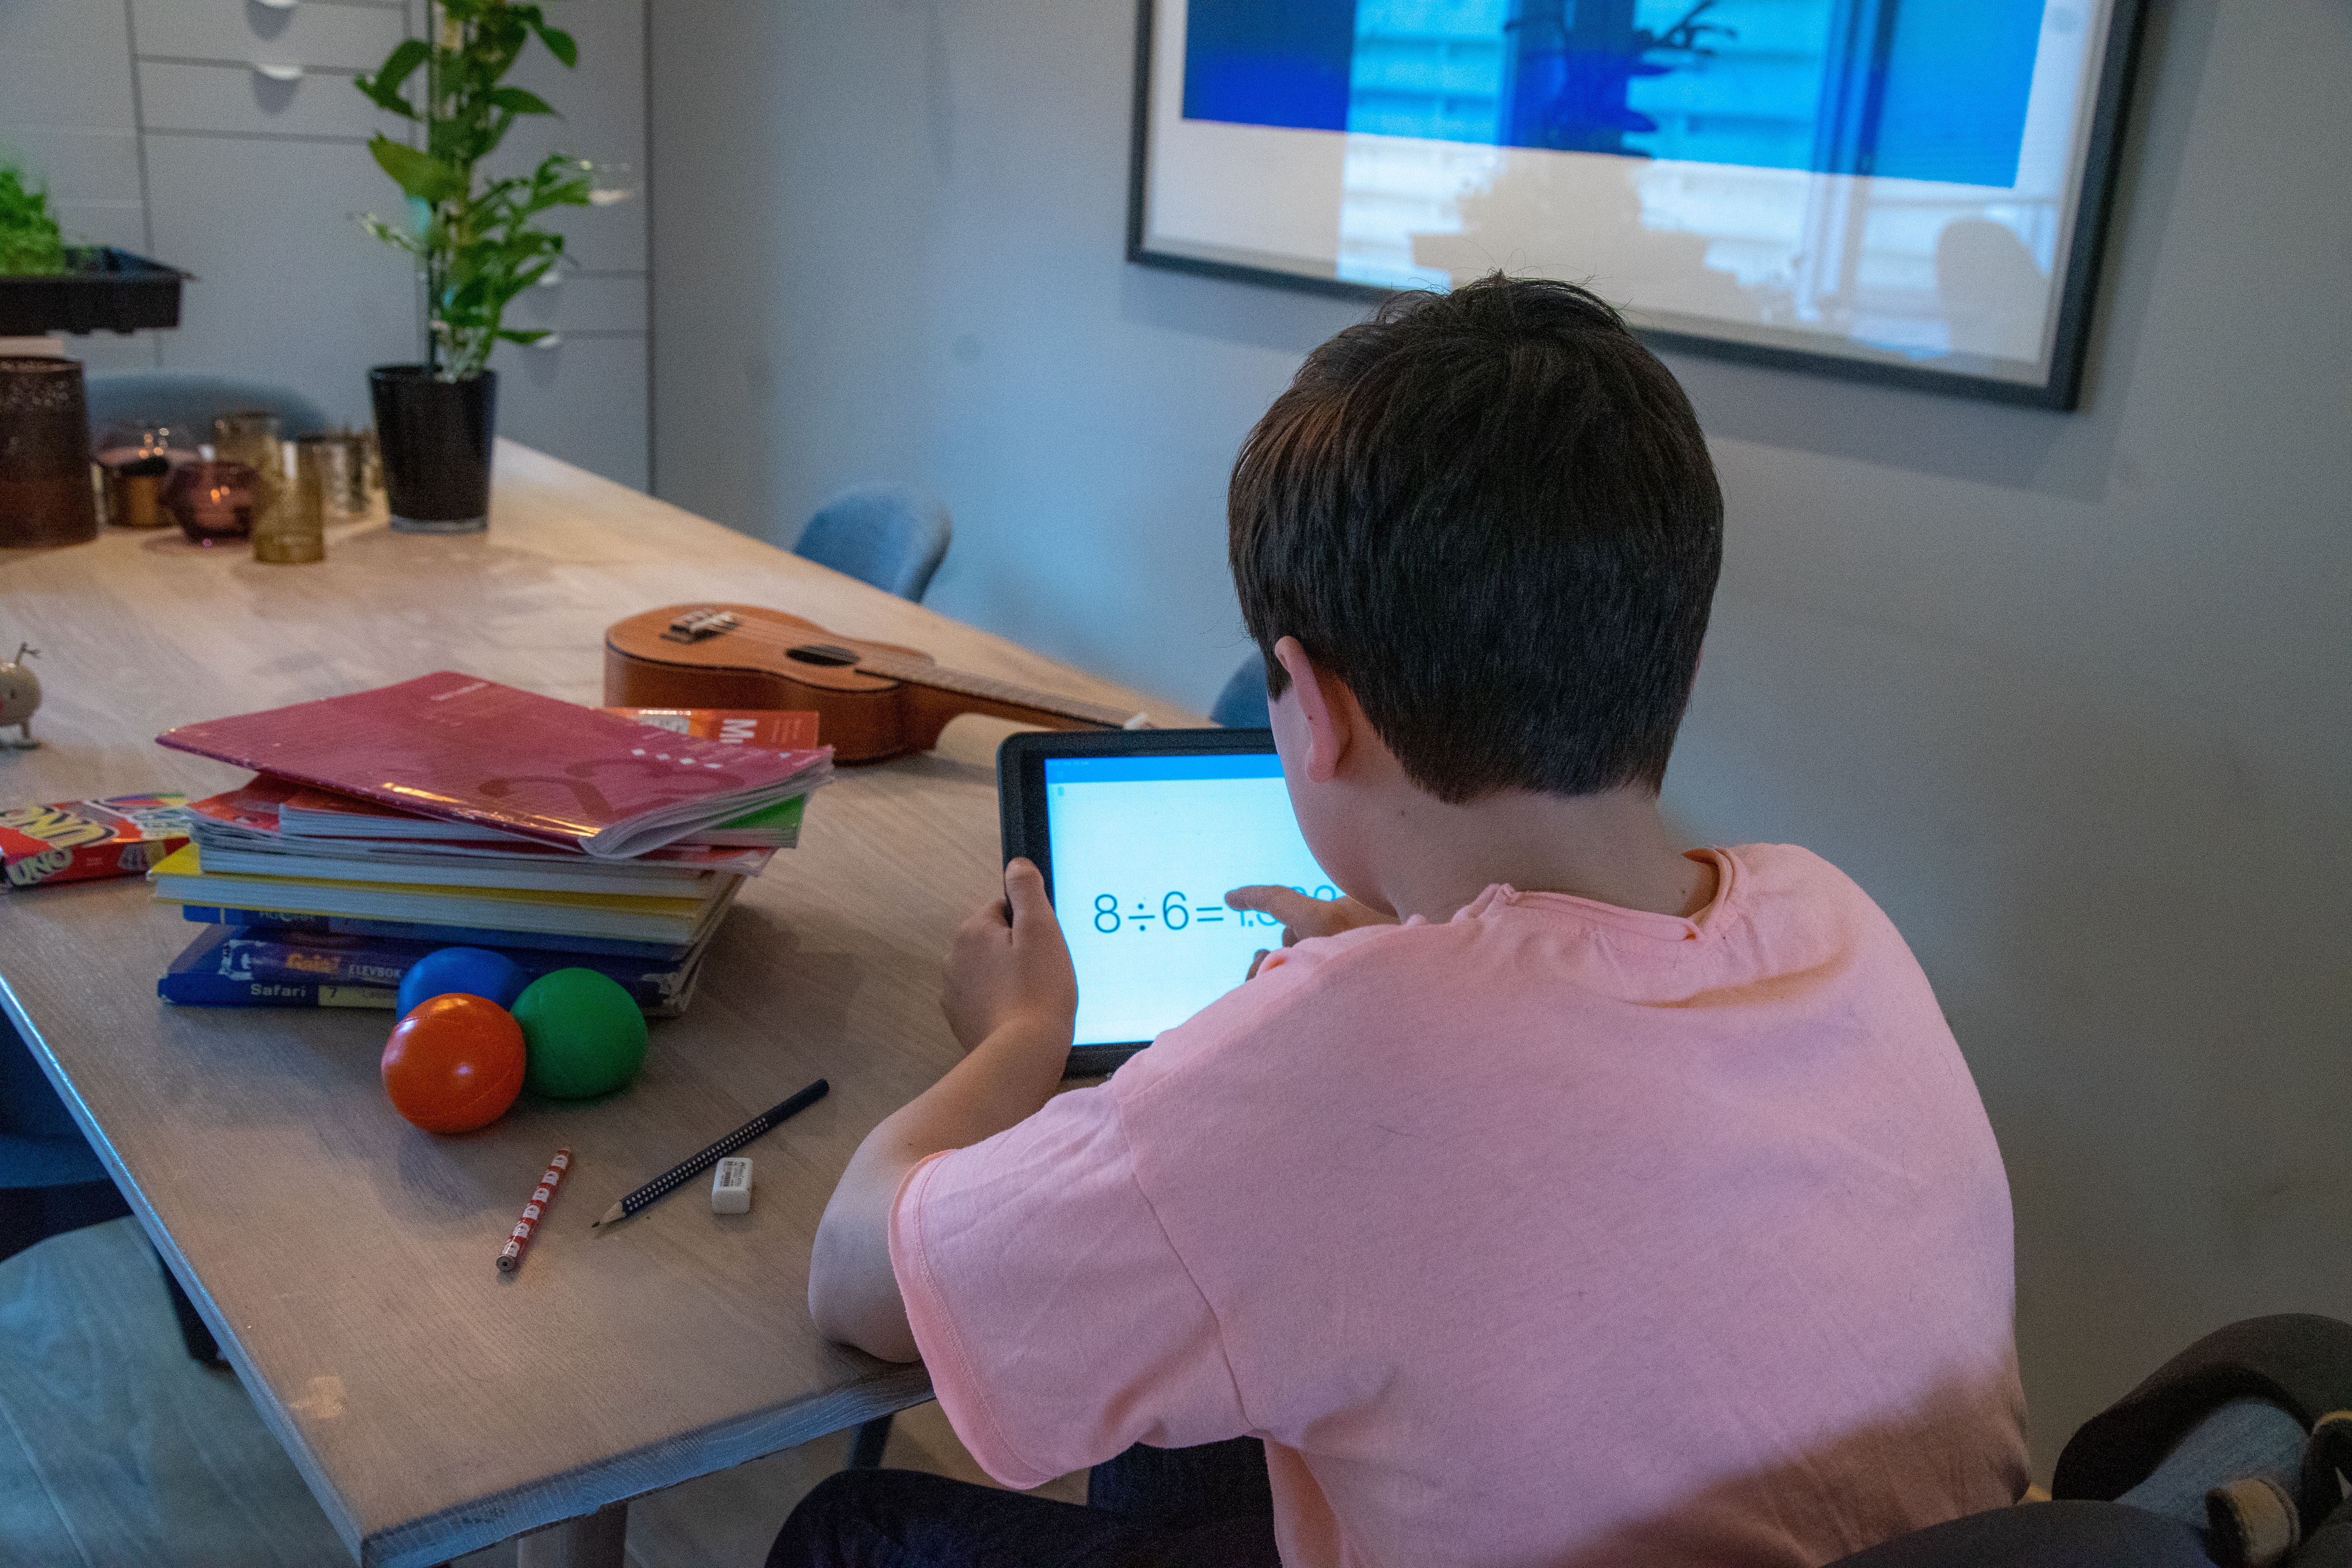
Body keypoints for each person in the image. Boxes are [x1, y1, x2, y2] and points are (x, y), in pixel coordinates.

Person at [779, 275, 2028, 1567]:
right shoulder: (1835, 919)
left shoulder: (1343, 1054)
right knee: (1207, 1363)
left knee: (854, 1529)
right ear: (1680, 653)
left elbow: (857, 1284)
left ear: (1310, 707)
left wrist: (1023, 1033)